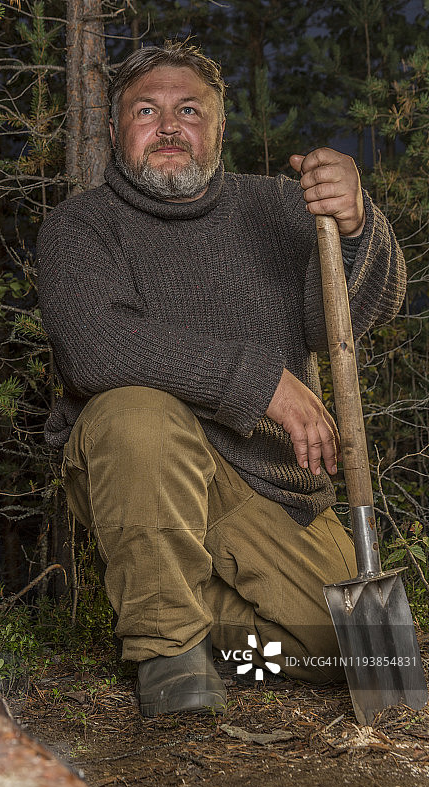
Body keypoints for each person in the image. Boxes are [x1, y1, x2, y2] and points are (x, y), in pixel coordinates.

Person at [35, 40, 406, 717]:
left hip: (272, 489)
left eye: (190, 111)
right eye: (146, 110)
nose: (169, 127)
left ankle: (211, 638)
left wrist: (356, 225)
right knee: (133, 412)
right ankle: (167, 651)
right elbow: (96, 349)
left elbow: (346, 323)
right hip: (144, 469)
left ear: (220, 127)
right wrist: (264, 381)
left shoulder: (275, 208)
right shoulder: (81, 228)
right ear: (115, 128)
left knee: (352, 655)